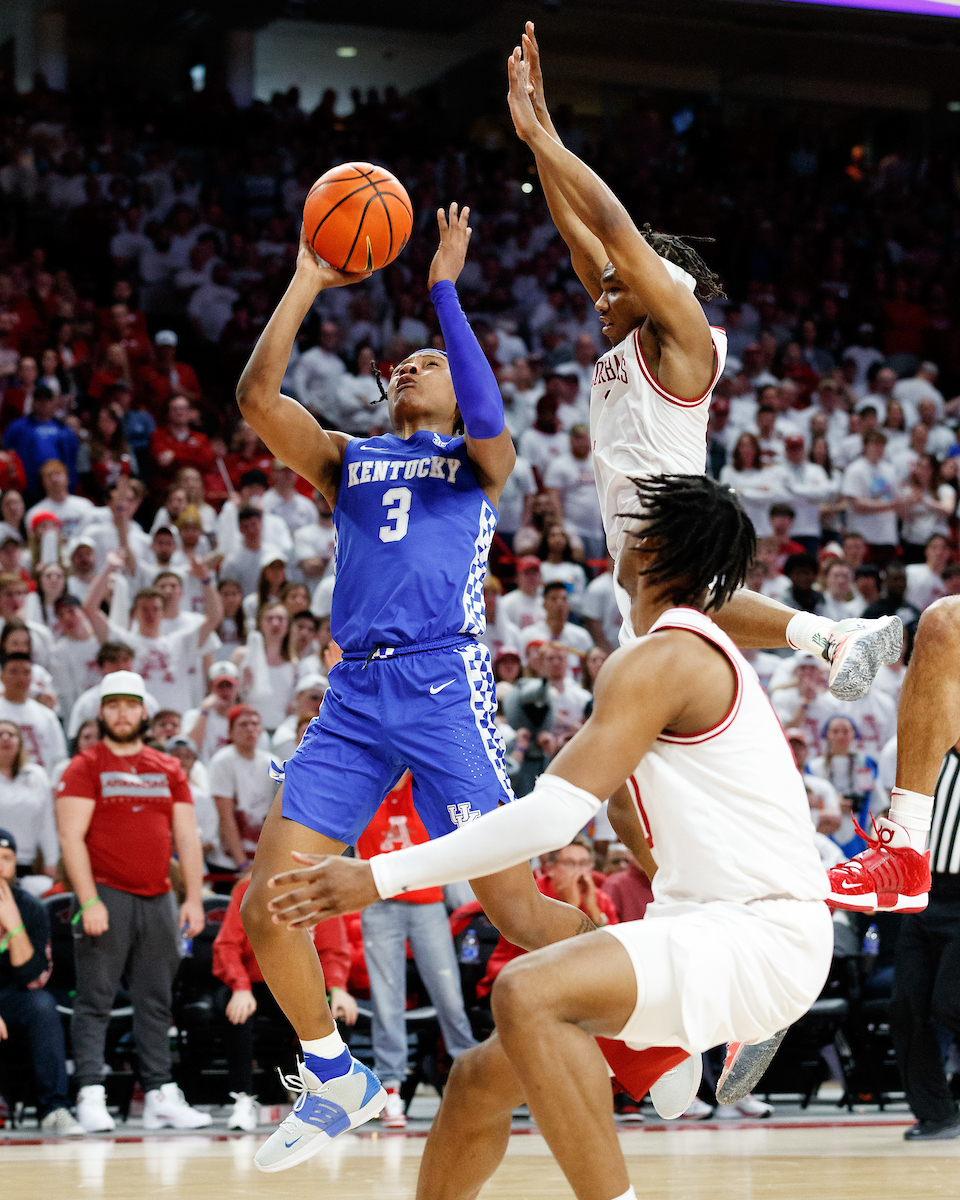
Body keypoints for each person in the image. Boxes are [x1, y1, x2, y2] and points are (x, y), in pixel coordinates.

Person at [275, 473, 833, 1200]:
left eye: (633, 527)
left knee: (528, 991)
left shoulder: (667, 657)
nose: (617, 536)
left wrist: (375, 877)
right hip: (708, 925)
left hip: (761, 933)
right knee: (477, 1081)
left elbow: (546, 820)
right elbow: (630, 816)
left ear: (657, 548)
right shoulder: (676, 655)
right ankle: (658, 1050)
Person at [234, 203, 619, 1173]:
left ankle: (661, 981)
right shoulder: (349, 459)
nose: (410, 365)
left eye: (430, 359)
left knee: (519, 913)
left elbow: (487, 414)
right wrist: (308, 282)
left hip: (445, 680)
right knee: (266, 902)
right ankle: (334, 1074)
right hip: (354, 696)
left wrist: (446, 288)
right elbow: (255, 400)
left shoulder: (478, 461)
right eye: (400, 361)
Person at [500, 25, 898, 708]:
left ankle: (832, 638)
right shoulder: (631, 332)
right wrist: (539, 122)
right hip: (630, 533)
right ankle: (832, 637)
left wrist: (543, 141)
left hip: (667, 511)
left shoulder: (683, 335)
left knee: (654, 682)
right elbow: (578, 227)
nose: (601, 294)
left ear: (660, 282)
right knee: (651, 727)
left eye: (616, 284)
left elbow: (614, 226)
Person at [55, 671, 211, 1133]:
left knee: (156, 999)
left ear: (144, 711)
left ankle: (161, 1093)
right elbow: (69, 837)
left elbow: (187, 836)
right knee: (95, 999)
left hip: (160, 895)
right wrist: (88, 900)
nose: (122, 714)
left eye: (130, 705)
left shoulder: (168, 768)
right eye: (113, 705)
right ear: (100, 712)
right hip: (105, 893)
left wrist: (196, 899)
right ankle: (90, 1093)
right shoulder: (84, 766)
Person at [355, 773, 478, 1130]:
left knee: (449, 997)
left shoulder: (424, 782)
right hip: (379, 903)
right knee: (386, 999)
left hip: (427, 901)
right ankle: (390, 1088)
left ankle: (470, 1077)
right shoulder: (368, 785)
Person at [213, 874, 356, 1132]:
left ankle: (329, 1099)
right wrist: (240, 987)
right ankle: (243, 1098)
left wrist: (338, 988)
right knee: (236, 1010)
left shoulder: (321, 890)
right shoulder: (249, 890)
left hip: (304, 985)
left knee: (340, 1011)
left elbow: (333, 950)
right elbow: (227, 945)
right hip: (257, 986)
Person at [890, 739, 960, 1140]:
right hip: (921, 894)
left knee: (950, 1004)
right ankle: (936, 1113)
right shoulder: (929, 762)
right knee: (906, 1007)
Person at [0, 826, 84, 1134]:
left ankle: (55, 1108)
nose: (0, 866)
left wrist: (14, 926)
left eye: (6, 858)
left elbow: (33, 977)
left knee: (42, 1005)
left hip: (11, 999)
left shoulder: (31, 908)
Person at [81, 552, 223, 713]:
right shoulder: (123, 642)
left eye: (155, 609)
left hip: (175, 722)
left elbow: (214, 617)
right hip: (141, 724)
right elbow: (90, 609)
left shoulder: (180, 642)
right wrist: (109, 567)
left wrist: (205, 579)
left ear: (163, 612)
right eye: (145, 609)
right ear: (135, 613)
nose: (151, 614)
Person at [208, 705, 273, 870]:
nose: (250, 729)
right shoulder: (222, 761)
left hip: (262, 857)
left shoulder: (273, 763)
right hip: (228, 862)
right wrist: (242, 863)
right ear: (230, 732)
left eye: (255, 724)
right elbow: (225, 816)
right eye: (243, 724)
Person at [0, 720, 58, 885]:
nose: (5, 738)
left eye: (11, 734)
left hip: (27, 864)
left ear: (20, 742)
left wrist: (51, 860)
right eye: (0, 734)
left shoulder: (37, 775)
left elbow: (46, 821)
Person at [0, 653, 65, 772]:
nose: (20, 678)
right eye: (14, 671)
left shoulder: (47, 716)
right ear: (2, 676)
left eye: (26, 672)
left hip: (40, 784)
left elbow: (59, 758)